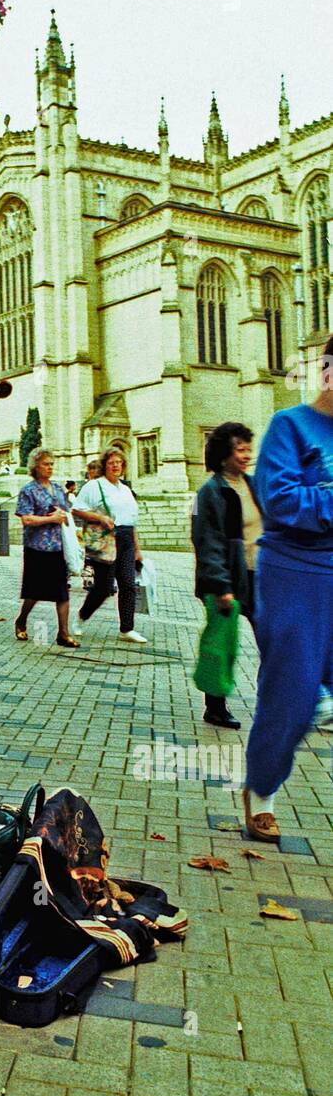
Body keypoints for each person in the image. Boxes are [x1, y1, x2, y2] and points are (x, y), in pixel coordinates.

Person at [241, 335, 333, 842]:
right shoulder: (290, 425)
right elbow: (278, 499)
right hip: (296, 572)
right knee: (292, 696)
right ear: (326, 370)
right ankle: (262, 791)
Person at [192, 422, 262, 729]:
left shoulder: (254, 485)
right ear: (223, 455)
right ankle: (215, 706)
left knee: (275, 641)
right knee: (221, 644)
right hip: (227, 579)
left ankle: (276, 702)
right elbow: (207, 541)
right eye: (240, 449)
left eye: (248, 448)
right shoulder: (210, 492)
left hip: (260, 575)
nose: (246, 455)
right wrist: (221, 585)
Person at [74, 447, 147, 643]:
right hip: (106, 539)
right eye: (111, 462)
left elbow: (132, 522)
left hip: (126, 539)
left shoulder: (125, 490)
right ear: (105, 465)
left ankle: (127, 629)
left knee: (128, 585)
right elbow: (77, 510)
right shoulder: (94, 486)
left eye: (119, 462)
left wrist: (138, 550)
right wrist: (100, 517)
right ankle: (81, 617)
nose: (116, 466)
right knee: (104, 588)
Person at [13, 448, 79, 648]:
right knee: (35, 591)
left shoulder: (58, 489)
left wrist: (62, 516)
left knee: (62, 592)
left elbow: (65, 513)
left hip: (57, 547)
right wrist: (50, 518)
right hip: (36, 547)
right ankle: (21, 619)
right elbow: (26, 519)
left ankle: (63, 633)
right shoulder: (28, 490)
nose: (50, 467)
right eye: (46, 464)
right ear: (36, 467)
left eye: (52, 464)